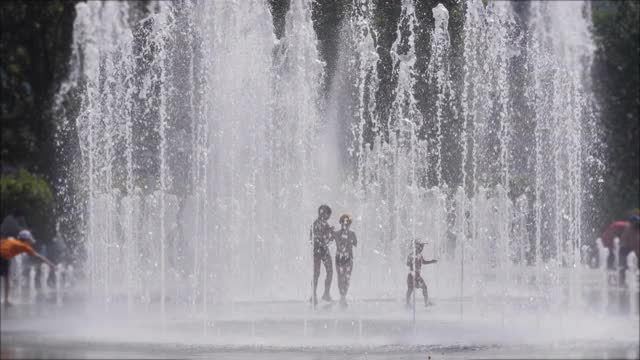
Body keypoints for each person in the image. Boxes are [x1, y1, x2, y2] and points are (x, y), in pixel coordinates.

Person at [1, 230, 55, 307]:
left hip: (3, 255)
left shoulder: (10, 240)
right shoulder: (24, 246)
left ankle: (6, 300)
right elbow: (38, 257)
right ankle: (6, 301)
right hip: (3, 256)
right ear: (26, 240)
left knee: (7, 277)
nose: (30, 242)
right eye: (29, 240)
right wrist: (51, 264)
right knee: (7, 278)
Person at [312, 204, 334, 305]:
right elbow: (315, 239)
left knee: (329, 271)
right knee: (317, 273)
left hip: (322, 250)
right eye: (328, 214)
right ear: (323, 213)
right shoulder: (316, 224)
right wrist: (328, 234)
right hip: (318, 250)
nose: (328, 217)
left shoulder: (325, 224)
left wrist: (331, 236)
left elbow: (327, 239)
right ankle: (314, 295)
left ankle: (325, 293)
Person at [406, 239, 437, 308]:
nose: (422, 249)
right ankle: (408, 303)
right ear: (417, 247)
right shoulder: (412, 255)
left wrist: (432, 261)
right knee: (410, 289)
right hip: (412, 275)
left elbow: (423, 262)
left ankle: (426, 302)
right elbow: (407, 264)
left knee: (422, 288)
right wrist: (412, 260)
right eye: (421, 247)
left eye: (422, 247)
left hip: (417, 275)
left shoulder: (419, 255)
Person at [334, 214, 357, 308]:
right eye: (344, 222)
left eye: (347, 223)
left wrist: (349, 239)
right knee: (340, 277)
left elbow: (355, 243)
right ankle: (342, 296)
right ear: (340, 223)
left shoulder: (352, 234)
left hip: (349, 258)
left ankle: (344, 296)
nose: (346, 225)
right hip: (339, 258)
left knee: (347, 277)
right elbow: (339, 246)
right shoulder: (337, 234)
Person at [618, 215, 640, 285]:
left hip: (628, 248)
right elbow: (632, 241)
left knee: (626, 265)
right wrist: (636, 250)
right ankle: (622, 281)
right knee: (624, 265)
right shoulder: (629, 228)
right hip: (625, 249)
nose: (637, 224)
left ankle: (623, 280)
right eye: (636, 222)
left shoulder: (634, 228)